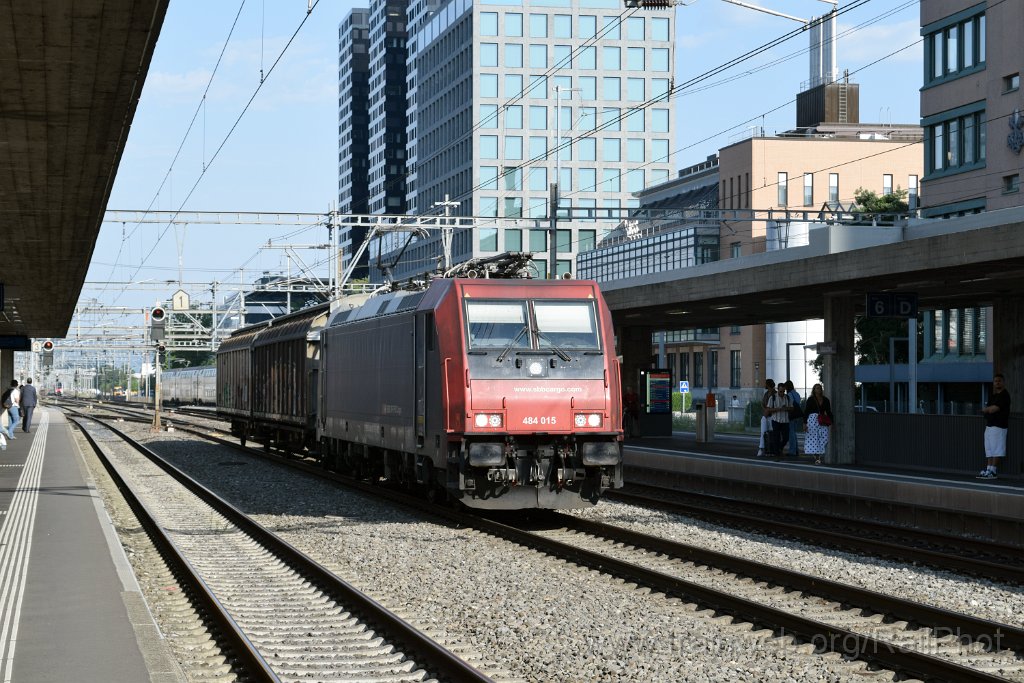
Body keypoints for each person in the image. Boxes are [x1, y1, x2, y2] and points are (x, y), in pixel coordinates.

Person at [979, 373, 1010, 479]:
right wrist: (988, 409)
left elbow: (992, 409)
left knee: (997, 448)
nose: (997, 383)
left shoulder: (1005, 395)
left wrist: (986, 410)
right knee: (989, 449)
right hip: (990, 425)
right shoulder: (993, 395)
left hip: (999, 426)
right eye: (995, 381)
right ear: (993, 383)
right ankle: (988, 469)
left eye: (999, 381)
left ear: (1003, 382)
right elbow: (989, 408)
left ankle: (993, 470)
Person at [804, 383, 833, 464]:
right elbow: (806, 411)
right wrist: (804, 423)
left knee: (824, 437)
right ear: (814, 390)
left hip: (822, 420)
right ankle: (817, 457)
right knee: (814, 439)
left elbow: (829, 411)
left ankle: (818, 454)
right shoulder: (810, 399)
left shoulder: (826, 400)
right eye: (817, 388)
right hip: (812, 420)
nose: (819, 390)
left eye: (820, 388)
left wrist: (832, 422)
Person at [767, 383, 792, 457]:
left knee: (786, 437)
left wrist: (786, 408)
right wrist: (778, 409)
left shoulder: (787, 397)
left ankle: (780, 448)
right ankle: (776, 453)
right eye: (781, 391)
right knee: (776, 437)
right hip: (776, 420)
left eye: (784, 391)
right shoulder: (773, 397)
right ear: (778, 389)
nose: (782, 393)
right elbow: (768, 409)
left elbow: (792, 408)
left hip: (785, 420)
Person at [757, 379, 776, 457]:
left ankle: (771, 449)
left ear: (768, 385)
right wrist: (765, 410)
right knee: (763, 432)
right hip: (765, 416)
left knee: (772, 433)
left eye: (765, 384)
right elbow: (762, 403)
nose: (764, 385)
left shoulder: (775, 394)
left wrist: (768, 410)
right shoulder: (766, 394)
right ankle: (761, 448)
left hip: (772, 416)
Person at [785, 380, 802, 457]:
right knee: (794, 433)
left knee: (791, 433)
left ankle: (792, 451)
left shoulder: (789, 394)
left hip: (792, 415)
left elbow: (790, 405)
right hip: (798, 415)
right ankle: (796, 450)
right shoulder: (797, 394)